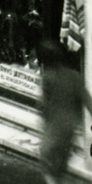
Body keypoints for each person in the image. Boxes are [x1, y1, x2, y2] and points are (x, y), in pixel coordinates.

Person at [39, 39, 88, 184]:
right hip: (69, 131)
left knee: (49, 171)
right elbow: (88, 102)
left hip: (53, 131)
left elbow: (43, 108)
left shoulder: (47, 78)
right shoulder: (75, 76)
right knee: (60, 170)